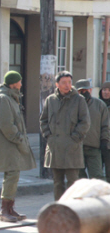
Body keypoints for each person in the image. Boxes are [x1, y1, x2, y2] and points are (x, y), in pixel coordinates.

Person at [0, 71, 36, 223]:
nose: (21, 84)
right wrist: (19, 139)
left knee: (14, 175)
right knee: (11, 175)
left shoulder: (11, 97)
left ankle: (10, 208)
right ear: (13, 83)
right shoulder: (4, 98)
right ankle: (4, 210)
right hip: (8, 145)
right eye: (19, 81)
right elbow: (7, 125)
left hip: (13, 144)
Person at [40, 71, 90, 201]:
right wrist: (48, 135)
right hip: (55, 147)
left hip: (72, 147)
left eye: (69, 82)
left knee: (73, 182)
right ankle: (60, 208)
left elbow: (85, 122)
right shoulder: (51, 100)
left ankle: (73, 209)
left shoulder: (79, 100)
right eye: (63, 83)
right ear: (57, 84)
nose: (67, 85)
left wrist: (75, 138)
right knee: (57, 182)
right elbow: (43, 120)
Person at [75, 79, 109, 180]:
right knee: (79, 178)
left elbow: (105, 126)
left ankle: (100, 196)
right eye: (81, 91)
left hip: (94, 148)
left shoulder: (100, 105)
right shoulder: (72, 105)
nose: (84, 93)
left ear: (90, 90)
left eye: (86, 90)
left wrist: (104, 141)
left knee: (97, 177)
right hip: (77, 148)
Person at [98, 81, 110, 182]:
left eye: (109, 90)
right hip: (97, 142)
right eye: (104, 90)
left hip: (108, 144)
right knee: (97, 173)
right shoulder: (96, 104)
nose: (106, 92)